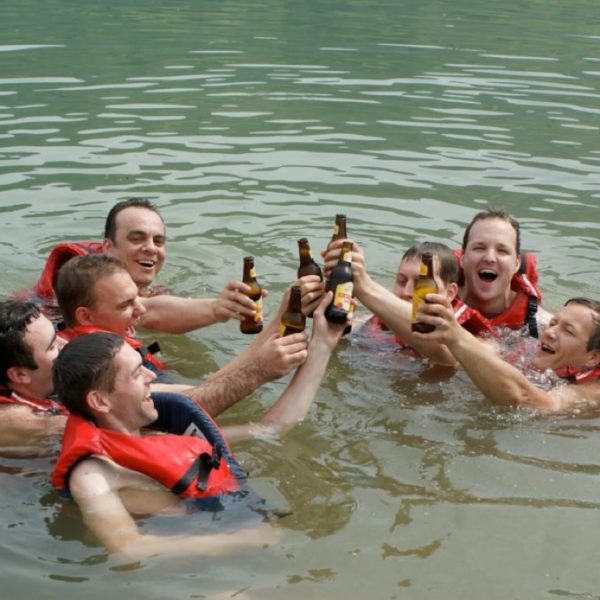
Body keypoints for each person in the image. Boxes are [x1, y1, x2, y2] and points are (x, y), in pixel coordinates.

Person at [50, 292, 348, 556]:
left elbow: (272, 428)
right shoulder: (91, 476)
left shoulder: (158, 435)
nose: (152, 377)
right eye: (136, 373)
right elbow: (130, 548)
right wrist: (240, 539)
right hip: (200, 570)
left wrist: (324, 342)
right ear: (100, 402)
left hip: (236, 537)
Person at [54, 253, 310, 415]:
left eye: (137, 298)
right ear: (85, 317)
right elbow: (196, 400)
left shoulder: (104, 342)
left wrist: (280, 318)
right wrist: (259, 369)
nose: (141, 310)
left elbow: (198, 390)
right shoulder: (95, 368)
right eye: (125, 305)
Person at [31, 198, 261, 333]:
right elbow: (149, 312)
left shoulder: (151, 290)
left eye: (158, 241)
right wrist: (216, 308)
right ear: (108, 248)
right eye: (136, 238)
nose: (151, 248)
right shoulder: (84, 285)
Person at [412, 295, 600, 412]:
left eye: (568, 331)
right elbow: (451, 354)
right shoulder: (530, 344)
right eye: (554, 323)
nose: (550, 333)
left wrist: (457, 338)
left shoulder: (592, 391)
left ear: (592, 357)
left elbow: (535, 402)